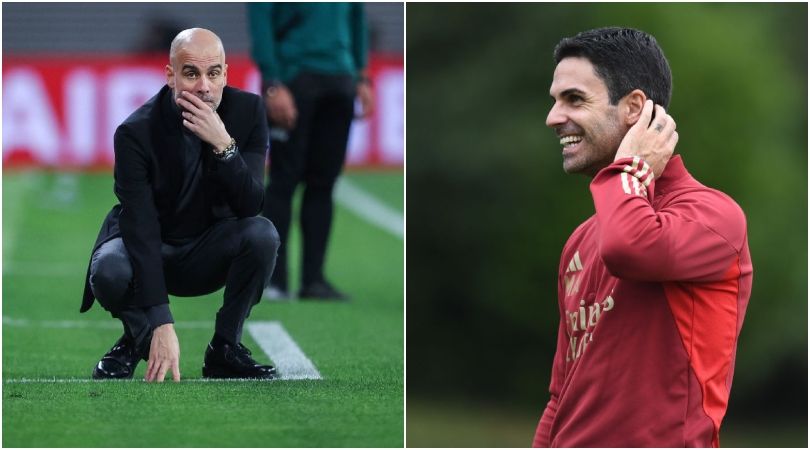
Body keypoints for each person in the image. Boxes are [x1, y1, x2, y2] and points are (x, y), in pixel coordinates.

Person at [535, 27, 752, 447]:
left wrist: (631, 165)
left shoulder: (714, 217)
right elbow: (561, 395)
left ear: (634, 107)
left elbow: (628, 248)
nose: (553, 117)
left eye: (574, 99)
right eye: (555, 101)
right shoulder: (581, 240)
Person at [81, 28, 280, 382]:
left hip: (208, 250)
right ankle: (137, 340)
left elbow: (251, 205)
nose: (204, 86)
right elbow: (140, 229)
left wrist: (224, 145)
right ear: (170, 75)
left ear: (226, 74)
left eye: (213, 73)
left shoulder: (248, 112)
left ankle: (225, 348)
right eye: (191, 73)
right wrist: (160, 321)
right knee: (109, 268)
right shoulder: (135, 133)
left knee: (263, 235)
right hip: (150, 249)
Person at [247, 3, 373, 300]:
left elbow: (356, 17)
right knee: (283, 181)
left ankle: (313, 280)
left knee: (324, 182)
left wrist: (361, 75)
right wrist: (273, 82)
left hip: (340, 80)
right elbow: (261, 21)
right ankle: (273, 279)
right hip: (294, 77)